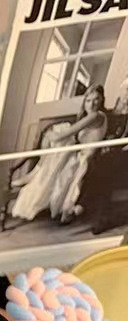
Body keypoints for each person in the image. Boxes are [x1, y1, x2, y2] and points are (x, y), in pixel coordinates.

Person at [11, 84, 107, 223]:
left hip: (86, 158)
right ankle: (35, 174)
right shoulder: (94, 116)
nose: (91, 104)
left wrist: (48, 134)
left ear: (102, 100)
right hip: (82, 154)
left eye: (96, 99)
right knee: (62, 143)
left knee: (61, 138)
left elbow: (63, 135)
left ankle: (34, 174)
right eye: (88, 100)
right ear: (84, 102)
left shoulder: (95, 116)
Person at [80, 77, 128, 234]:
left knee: (106, 162)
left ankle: (89, 208)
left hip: (122, 154)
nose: (127, 95)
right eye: (126, 90)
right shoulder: (111, 113)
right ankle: (97, 215)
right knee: (102, 162)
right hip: (108, 153)